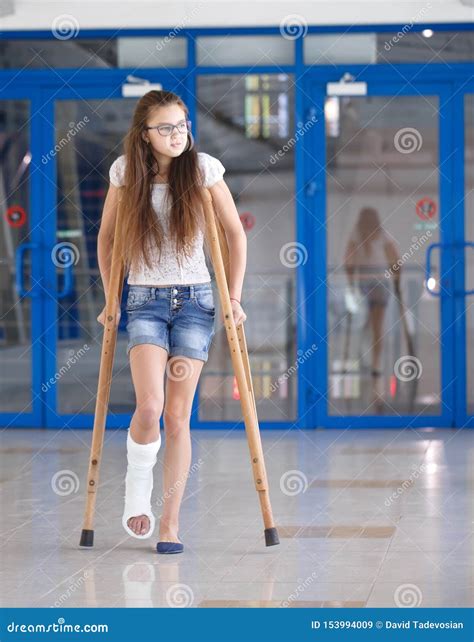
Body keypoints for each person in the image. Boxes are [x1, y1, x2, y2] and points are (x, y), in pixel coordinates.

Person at [96, 90, 247, 553]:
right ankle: (136, 496)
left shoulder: (204, 171)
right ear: (145, 135)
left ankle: (170, 524)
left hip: (196, 303)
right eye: (165, 128)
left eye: (181, 125)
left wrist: (233, 296)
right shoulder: (126, 175)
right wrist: (110, 298)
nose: (176, 134)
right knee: (149, 407)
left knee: (178, 416)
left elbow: (234, 234)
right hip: (144, 300)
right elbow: (106, 239)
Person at [343, 207, 400, 409]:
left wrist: (351, 284)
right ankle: (373, 363)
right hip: (379, 283)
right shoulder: (381, 235)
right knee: (376, 327)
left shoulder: (357, 235)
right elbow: (395, 259)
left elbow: (348, 261)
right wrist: (397, 278)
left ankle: (364, 359)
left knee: (366, 325)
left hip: (365, 283)